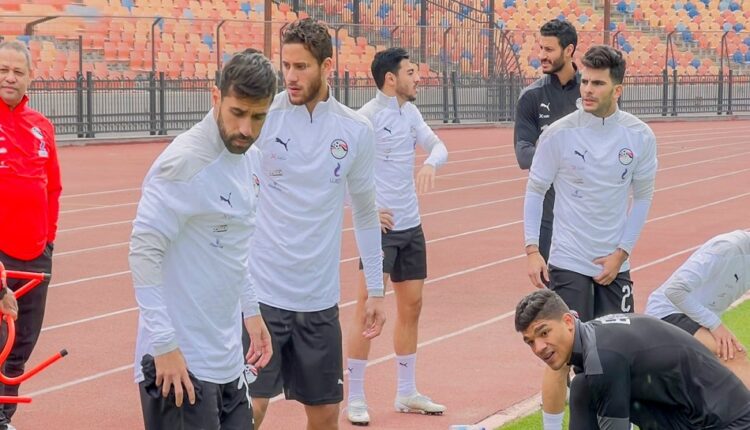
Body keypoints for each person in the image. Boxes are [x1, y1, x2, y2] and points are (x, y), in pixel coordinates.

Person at [247, 18, 386, 430]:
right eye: (286, 65)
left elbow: (365, 212)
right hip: (263, 296)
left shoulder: (355, 130)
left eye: (301, 66)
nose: (290, 76)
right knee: (249, 409)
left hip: (319, 301)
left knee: (325, 417)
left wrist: (376, 290)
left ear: (327, 66)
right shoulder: (263, 118)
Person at [129, 49, 275, 430]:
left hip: (228, 360)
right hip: (179, 364)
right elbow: (143, 253)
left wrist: (251, 310)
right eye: (237, 113)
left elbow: (233, 249)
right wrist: (164, 345)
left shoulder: (250, 159)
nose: (246, 128)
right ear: (216, 97)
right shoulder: (183, 162)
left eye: (258, 117)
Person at [523, 44, 658, 430]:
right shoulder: (559, 134)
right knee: (560, 356)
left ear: (618, 89)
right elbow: (535, 189)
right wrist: (532, 249)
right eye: (585, 81)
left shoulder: (639, 136)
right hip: (568, 261)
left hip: (615, 266)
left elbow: (642, 198)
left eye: (598, 83)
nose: (587, 89)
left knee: (617, 356)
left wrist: (621, 253)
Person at [345, 47, 449, 426]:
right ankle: (355, 397)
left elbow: (439, 146)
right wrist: (366, 209)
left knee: (412, 307)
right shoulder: (365, 119)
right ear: (391, 79)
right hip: (381, 231)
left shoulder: (411, 113)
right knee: (367, 310)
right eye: (411, 72)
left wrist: (431, 163)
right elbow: (338, 173)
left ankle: (406, 392)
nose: (418, 78)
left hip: (411, 226)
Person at [515, 289, 750, 429]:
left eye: (544, 333)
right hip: (687, 416)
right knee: (582, 386)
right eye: (530, 342)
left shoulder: (603, 357)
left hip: (728, 422)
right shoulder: (592, 342)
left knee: (586, 385)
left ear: (567, 322)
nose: (539, 348)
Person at [0, 40, 60, 430]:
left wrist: (48, 240)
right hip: (0, 258)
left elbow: (53, 188)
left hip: (37, 256)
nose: (10, 77)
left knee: (21, 346)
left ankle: (4, 417)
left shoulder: (42, 127)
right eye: (3, 70)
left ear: (29, 77)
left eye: (17, 71)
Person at [646, 229, 750, 387]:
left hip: (698, 319)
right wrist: (715, 325)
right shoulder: (727, 248)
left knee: (717, 371)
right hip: (668, 312)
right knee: (733, 354)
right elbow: (674, 290)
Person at [514, 19, 580, 264]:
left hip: (587, 213)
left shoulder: (591, 92)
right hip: (547, 216)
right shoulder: (531, 96)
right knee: (550, 284)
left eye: (549, 49)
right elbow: (523, 155)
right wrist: (571, 158)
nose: (542, 55)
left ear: (569, 50)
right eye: (541, 48)